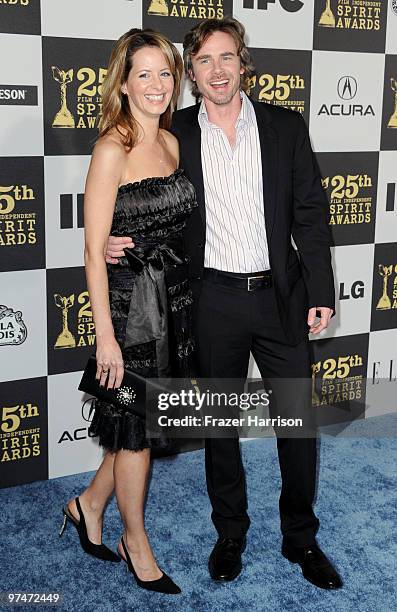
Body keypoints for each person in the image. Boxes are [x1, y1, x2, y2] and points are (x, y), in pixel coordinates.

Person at [106, 17, 343, 590]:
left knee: (298, 425)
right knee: (219, 427)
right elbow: (147, 196)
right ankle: (230, 532)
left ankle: (301, 538)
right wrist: (119, 236)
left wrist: (320, 291)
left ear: (243, 63)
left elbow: (311, 214)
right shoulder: (174, 133)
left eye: (227, 58)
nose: (218, 70)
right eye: (205, 61)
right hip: (210, 300)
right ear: (191, 73)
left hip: (279, 297)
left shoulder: (285, 127)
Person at [59, 28, 197, 595]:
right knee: (135, 433)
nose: (157, 84)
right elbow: (93, 249)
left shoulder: (171, 142)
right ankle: (134, 541)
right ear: (124, 81)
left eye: (165, 72)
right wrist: (105, 338)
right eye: (144, 73)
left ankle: (88, 505)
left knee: (132, 425)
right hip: (129, 308)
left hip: (173, 303)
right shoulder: (110, 146)